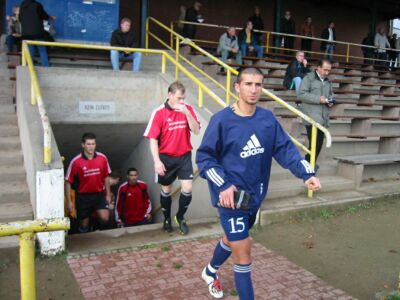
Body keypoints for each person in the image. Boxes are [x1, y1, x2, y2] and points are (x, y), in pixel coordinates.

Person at [196, 67, 321, 299]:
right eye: (248, 84)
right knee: (243, 252)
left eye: (258, 85)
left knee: (232, 238)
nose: (253, 90)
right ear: (237, 87)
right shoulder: (221, 121)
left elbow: (285, 149)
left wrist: (307, 174)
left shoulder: (267, 120)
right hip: (230, 199)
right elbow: (204, 158)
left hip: (254, 197)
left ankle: (209, 270)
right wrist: (223, 185)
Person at [143, 81, 201, 234]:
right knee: (166, 190)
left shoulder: (188, 109)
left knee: (187, 188)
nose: (182, 101)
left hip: (184, 156)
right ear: (170, 95)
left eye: (184, 98)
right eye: (179, 98)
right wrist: (157, 161)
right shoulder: (159, 112)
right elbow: (153, 139)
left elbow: (196, 130)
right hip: (166, 158)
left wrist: (187, 113)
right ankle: (167, 218)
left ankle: (180, 217)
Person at [65, 133, 112, 233]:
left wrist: (108, 194)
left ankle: (96, 228)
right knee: (84, 224)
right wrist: (69, 201)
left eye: (93, 144)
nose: (91, 147)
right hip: (83, 197)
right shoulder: (76, 161)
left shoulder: (102, 158)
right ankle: (84, 236)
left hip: (99, 195)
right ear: (83, 145)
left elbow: (106, 177)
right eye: (88, 144)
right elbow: (68, 182)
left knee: (105, 218)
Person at [298, 59, 333, 165]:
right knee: (315, 143)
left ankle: (309, 163)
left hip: (322, 117)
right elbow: (301, 95)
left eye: (329, 71)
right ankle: (309, 165)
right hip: (311, 116)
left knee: (318, 143)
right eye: (325, 70)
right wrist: (319, 99)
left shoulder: (328, 81)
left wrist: (330, 101)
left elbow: (330, 94)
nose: (327, 73)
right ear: (318, 67)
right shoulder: (308, 78)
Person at [19, 0, 56, 67]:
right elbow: (44, 16)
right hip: (37, 32)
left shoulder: (22, 5)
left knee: (30, 51)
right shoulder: (37, 5)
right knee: (42, 50)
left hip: (26, 33)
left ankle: (30, 66)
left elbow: (20, 19)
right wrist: (51, 17)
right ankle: (46, 66)